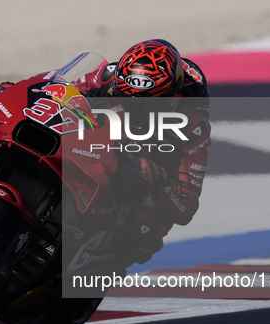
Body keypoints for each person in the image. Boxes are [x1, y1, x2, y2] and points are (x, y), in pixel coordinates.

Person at [91, 39, 212, 265]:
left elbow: (186, 206)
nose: (140, 113)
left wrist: (159, 180)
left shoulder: (193, 124)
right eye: (131, 103)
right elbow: (58, 85)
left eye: (152, 105)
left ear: (175, 97)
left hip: (152, 169)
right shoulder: (109, 76)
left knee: (142, 236)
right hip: (101, 144)